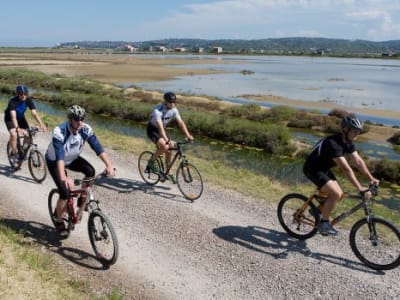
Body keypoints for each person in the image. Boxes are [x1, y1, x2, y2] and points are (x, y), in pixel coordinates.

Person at [303, 114, 379, 236]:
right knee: (336, 193)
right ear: (345, 129)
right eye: (354, 131)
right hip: (313, 169)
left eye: (358, 132)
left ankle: (317, 210)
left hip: (324, 169)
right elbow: (346, 169)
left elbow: (358, 161)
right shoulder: (333, 143)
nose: (356, 134)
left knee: (340, 194)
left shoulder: (348, 142)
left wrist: (371, 178)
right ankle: (324, 223)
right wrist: (360, 188)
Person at [45, 104, 115, 238]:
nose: (80, 122)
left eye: (82, 119)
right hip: (55, 162)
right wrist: (64, 178)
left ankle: (82, 200)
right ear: (70, 119)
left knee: (90, 171)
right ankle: (58, 219)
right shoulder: (59, 132)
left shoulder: (85, 129)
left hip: (71, 159)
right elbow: (60, 156)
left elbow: (98, 148)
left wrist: (109, 166)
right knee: (65, 193)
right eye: (77, 119)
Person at [146, 92, 194, 183]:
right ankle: (151, 162)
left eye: (174, 102)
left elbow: (181, 123)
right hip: (152, 130)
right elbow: (159, 127)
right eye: (170, 102)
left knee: (169, 151)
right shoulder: (158, 110)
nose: (172, 104)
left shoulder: (174, 109)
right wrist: (167, 140)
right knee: (165, 146)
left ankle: (168, 172)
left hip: (162, 130)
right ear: (165, 102)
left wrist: (188, 135)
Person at [4, 85, 47, 162]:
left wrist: (42, 124)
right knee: (14, 134)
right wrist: (17, 128)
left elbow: (34, 114)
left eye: (25, 93)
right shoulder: (12, 101)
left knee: (28, 134)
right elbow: (13, 117)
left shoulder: (28, 100)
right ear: (17, 94)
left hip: (20, 118)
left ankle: (22, 151)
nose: (23, 95)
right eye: (21, 94)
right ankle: (13, 153)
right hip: (9, 119)